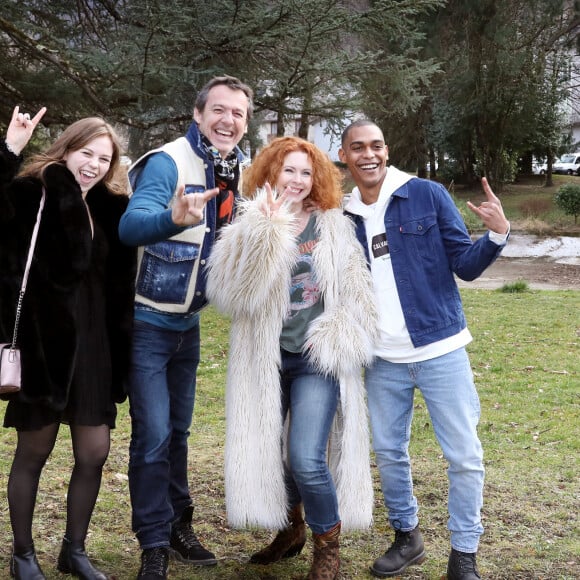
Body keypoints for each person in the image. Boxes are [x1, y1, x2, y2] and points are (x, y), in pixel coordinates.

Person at [338, 119, 510, 580]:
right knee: (390, 451)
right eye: (358, 147)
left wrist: (495, 235)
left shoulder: (427, 195)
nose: (368, 154)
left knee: (463, 455)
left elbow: (465, 267)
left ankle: (464, 554)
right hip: (381, 359)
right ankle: (406, 536)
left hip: (440, 349)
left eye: (375, 145)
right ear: (345, 156)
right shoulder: (344, 216)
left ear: (387, 151)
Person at [206, 136, 379, 580]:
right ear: (270, 173)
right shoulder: (247, 223)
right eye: (289, 171)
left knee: (304, 456)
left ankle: (327, 546)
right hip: (264, 357)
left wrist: (349, 336)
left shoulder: (334, 226)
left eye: (306, 172)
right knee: (268, 451)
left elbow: (358, 291)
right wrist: (266, 232)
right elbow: (233, 297)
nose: (298, 181)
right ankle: (291, 527)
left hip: (315, 356)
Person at [118, 75, 254, 580]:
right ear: (197, 115)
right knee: (152, 436)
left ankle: (178, 525)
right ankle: (153, 543)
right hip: (147, 324)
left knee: (177, 434)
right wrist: (172, 217)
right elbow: (130, 227)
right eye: (218, 110)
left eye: (238, 113)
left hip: (188, 327)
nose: (228, 120)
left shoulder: (238, 166)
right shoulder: (167, 161)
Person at [0, 106, 137, 580]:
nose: (95, 164)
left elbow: (120, 287)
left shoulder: (110, 206)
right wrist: (11, 148)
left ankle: (73, 550)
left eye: (105, 157)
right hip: (44, 346)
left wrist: (123, 356)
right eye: (87, 152)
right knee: (34, 452)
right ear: (68, 149)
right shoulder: (30, 193)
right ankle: (22, 554)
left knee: (94, 451)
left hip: (96, 347)